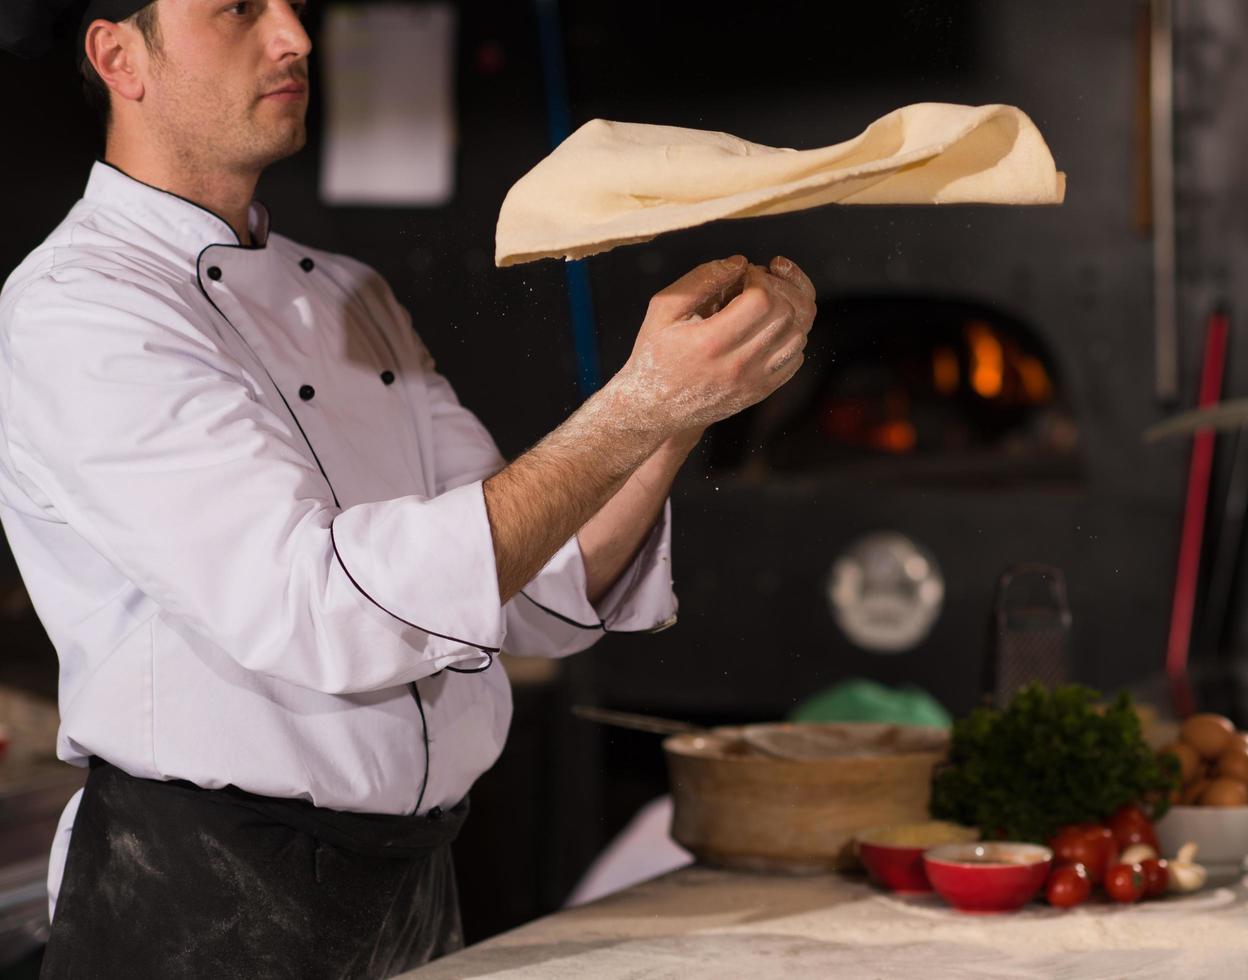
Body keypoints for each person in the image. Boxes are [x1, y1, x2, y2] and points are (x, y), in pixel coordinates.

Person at [0, 1, 817, 975]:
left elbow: (529, 582)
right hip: (199, 903)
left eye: (294, 5)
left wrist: (682, 407)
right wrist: (637, 404)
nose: (296, 37)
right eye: (238, 10)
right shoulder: (82, 307)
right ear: (119, 55)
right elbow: (320, 608)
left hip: (413, 888)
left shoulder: (354, 294)